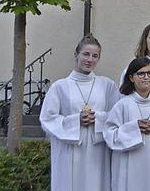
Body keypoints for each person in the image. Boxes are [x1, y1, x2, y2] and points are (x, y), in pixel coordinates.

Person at [40, 34, 119, 191]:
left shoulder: (107, 85)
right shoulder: (60, 87)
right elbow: (47, 119)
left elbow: (117, 116)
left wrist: (98, 118)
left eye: (95, 56)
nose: (90, 60)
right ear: (76, 55)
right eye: (86, 54)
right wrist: (76, 121)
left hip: (98, 152)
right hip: (69, 151)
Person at [104, 57, 150, 191]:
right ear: (131, 78)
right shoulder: (122, 105)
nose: (146, 77)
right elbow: (110, 135)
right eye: (141, 73)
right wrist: (134, 128)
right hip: (129, 166)